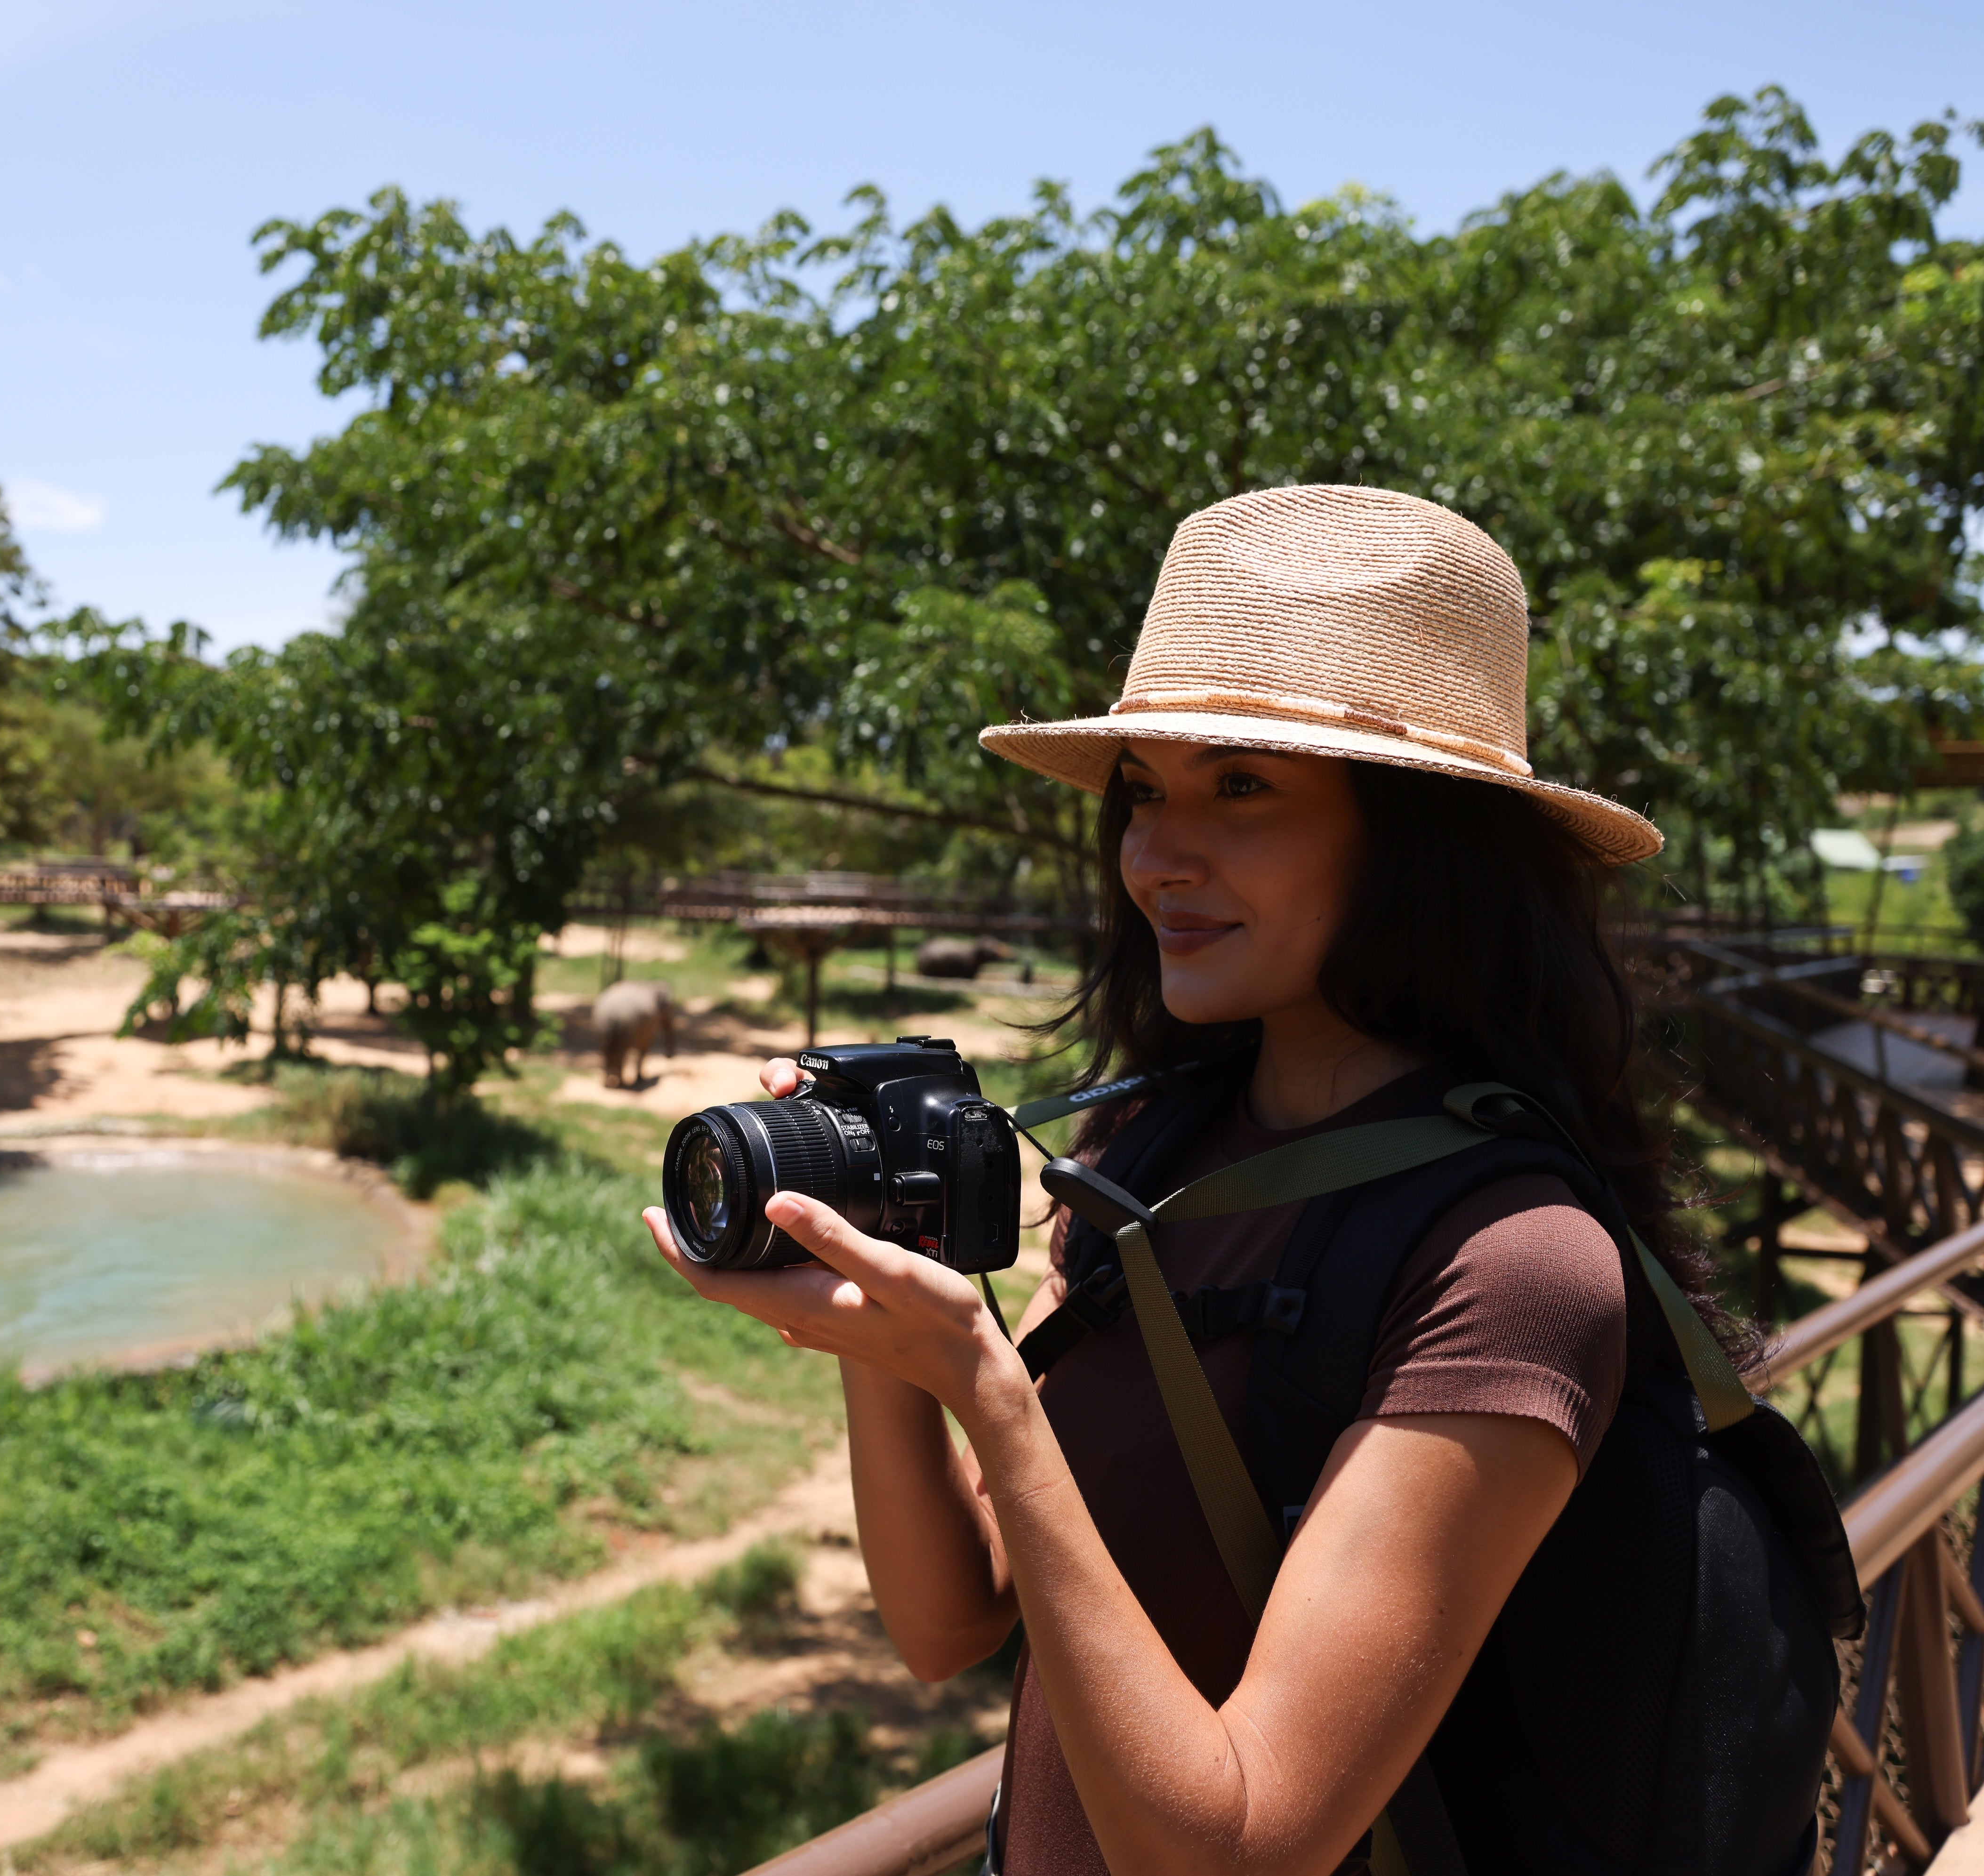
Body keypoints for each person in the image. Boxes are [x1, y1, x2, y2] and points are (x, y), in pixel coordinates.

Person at [645, 485, 1817, 1876]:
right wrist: (868, 1301)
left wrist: (989, 1391)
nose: (1156, 855)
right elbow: (948, 1620)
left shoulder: (1513, 1260)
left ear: (1422, 836)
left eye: (1242, 787)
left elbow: (1241, 1844)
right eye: (1145, 790)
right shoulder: (1146, 1154)